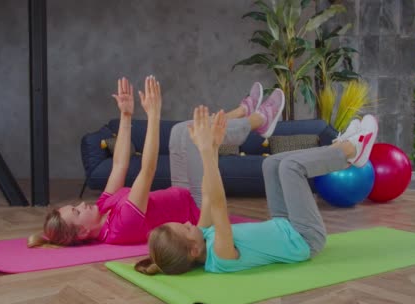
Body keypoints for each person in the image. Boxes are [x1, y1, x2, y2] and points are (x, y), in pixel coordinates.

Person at [28, 78, 285, 247]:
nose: (81, 204)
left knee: (180, 132)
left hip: (181, 191)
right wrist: (154, 114)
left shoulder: (103, 208)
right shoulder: (120, 226)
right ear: (82, 232)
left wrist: (126, 115)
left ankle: (243, 113)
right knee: (185, 133)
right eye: (76, 211)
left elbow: (119, 166)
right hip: (196, 209)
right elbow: (147, 170)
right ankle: (258, 121)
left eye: (74, 206)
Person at [135, 106, 378, 275]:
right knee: (291, 168)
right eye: (186, 228)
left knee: (271, 164)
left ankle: (338, 148)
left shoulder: (202, 236)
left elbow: (209, 195)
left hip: (283, 224)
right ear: (194, 249)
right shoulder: (220, 256)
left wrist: (213, 147)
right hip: (305, 239)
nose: (190, 222)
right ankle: (350, 150)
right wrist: (205, 151)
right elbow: (219, 204)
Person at [169, 82, 284, 206]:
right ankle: (259, 120)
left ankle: (239, 113)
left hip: (176, 204)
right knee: (191, 134)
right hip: (193, 213)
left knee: (178, 130)